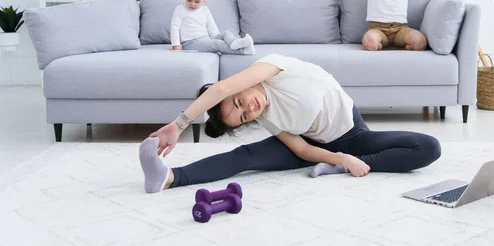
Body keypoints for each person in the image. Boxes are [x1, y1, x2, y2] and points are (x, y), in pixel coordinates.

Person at [139, 54, 441, 193]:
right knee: (244, 157)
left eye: (239, 102)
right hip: (313, 146)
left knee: (428, 147)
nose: (250, 109)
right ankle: (168, 178)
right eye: (244, 117)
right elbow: (301, 148)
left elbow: (219, 90)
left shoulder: (272, 67)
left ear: (233, 88)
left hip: (351, 134)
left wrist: (177, 125)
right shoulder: (268, 118)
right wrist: (337, 158)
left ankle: (346, 165)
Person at [170, 0, 255, 55]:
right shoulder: (180, 9)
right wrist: (176, 44)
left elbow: (213, 30)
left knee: (225, 33)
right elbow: (174, 27)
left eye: (197, 1)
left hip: (206, 39)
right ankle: (243, 50)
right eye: (189, 0)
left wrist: (218, 37)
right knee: (217, 44)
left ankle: (234, 42)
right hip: (190, 43)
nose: (192, 4)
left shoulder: (205, 10)